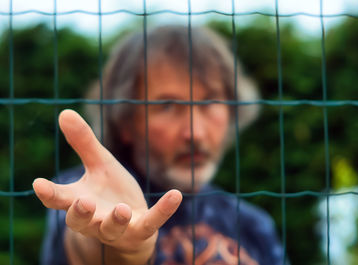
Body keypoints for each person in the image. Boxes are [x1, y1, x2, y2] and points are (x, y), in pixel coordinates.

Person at [33, 25, 285, 265]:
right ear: (124, 123)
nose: (195, 133)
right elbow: (86, 243)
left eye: (210, 102)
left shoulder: (254, 224)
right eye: (167, 106)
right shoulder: (86, 192)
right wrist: (121, 248)